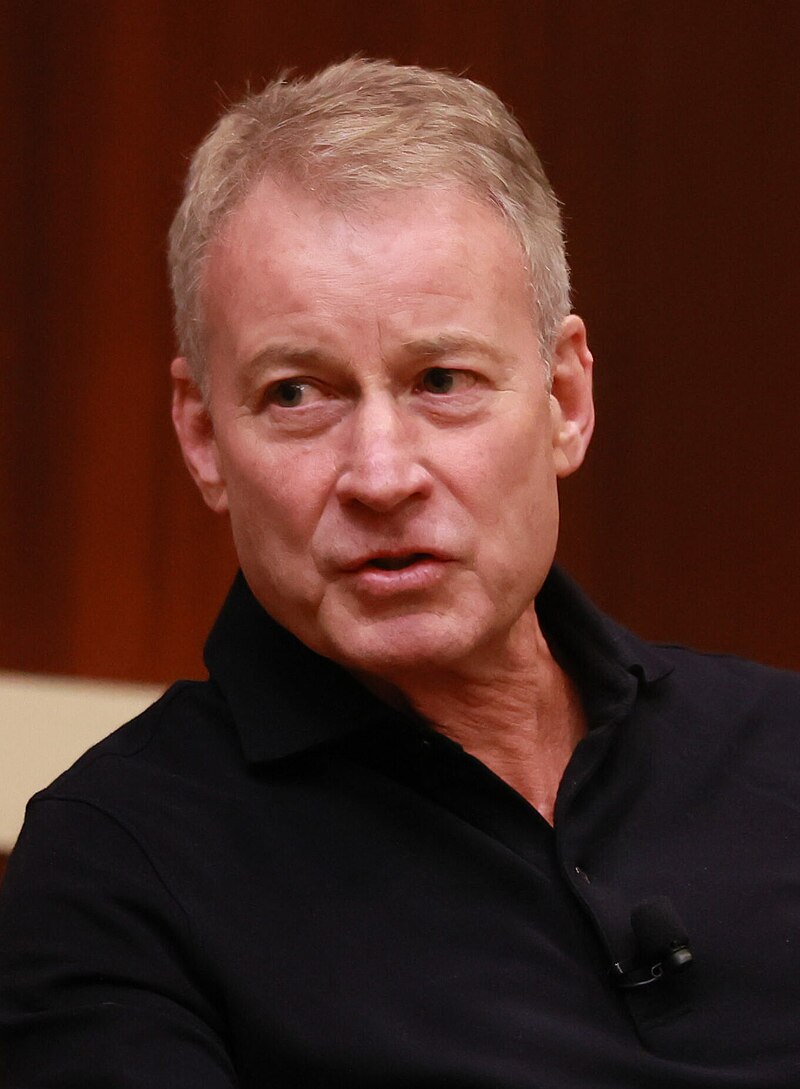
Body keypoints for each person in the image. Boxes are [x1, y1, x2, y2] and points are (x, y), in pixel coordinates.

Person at [1, 58, 799, 1088]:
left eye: (440, 381)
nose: (379, 476)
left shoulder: (779, 749)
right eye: (297, 394)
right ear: (202, 438)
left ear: (563, 399)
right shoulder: (116, 869)